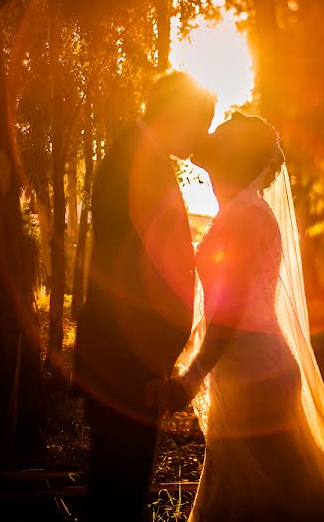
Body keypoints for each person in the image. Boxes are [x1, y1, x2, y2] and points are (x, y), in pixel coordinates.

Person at [164, 112, 324, 522]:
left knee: (281, 501)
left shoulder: (242, 219)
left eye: (221, 145)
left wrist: (193, 374)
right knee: (243, 494)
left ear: (234, 161)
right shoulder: (245, 212)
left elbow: (230, 310)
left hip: (255, 378)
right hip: (253, 369)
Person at [74, 71, 215, 521]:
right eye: (201, 122)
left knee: (116, 489)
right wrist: (157, 359)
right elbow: (154, 270)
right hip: (128, 360)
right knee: (120, 492)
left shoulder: (135, 153)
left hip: (121, 353)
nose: (203, 136)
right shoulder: (141, 162)